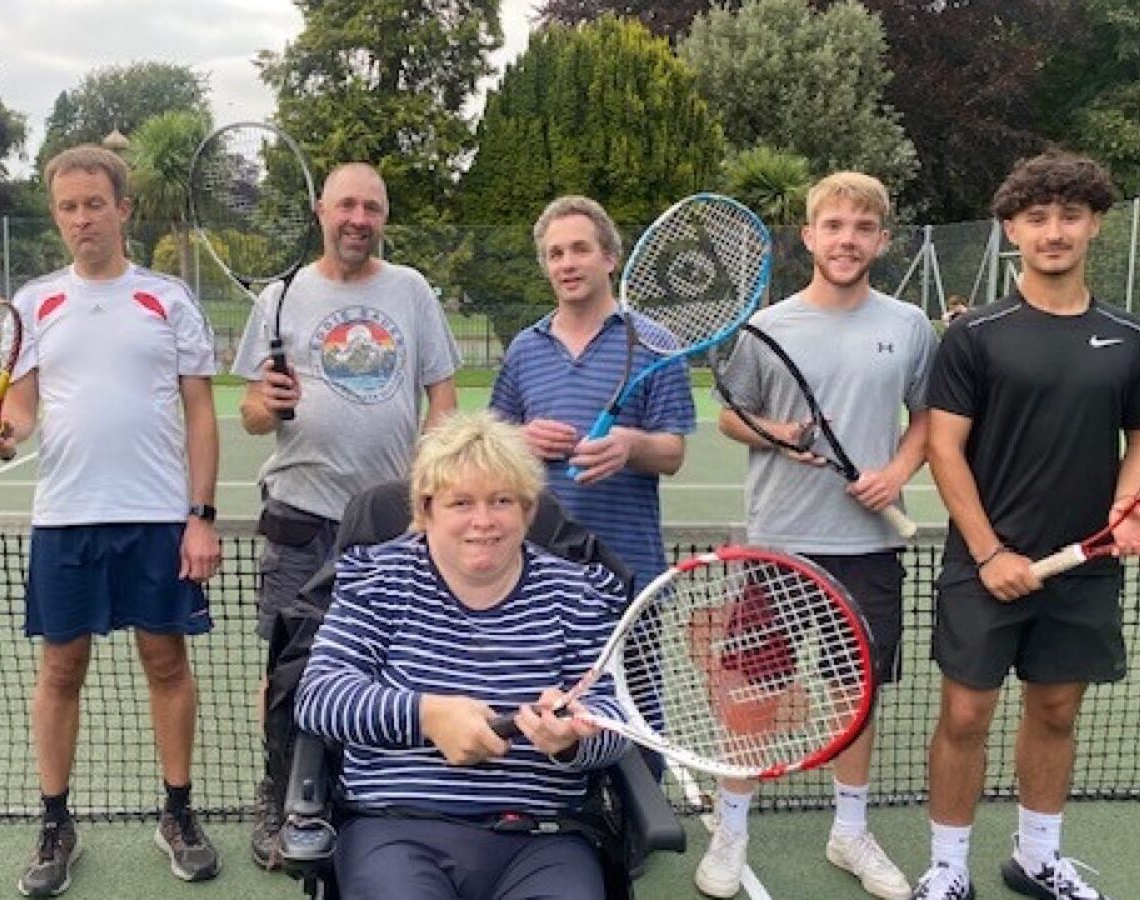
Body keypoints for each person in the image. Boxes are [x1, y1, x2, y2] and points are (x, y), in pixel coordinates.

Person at [911, 151, 1140, 900]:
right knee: (965, 714)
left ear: (1095, 224)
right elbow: (942, 445)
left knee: (1056, 709)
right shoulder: (975, 334)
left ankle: (1036, 858)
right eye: (1037, 218)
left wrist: (1123, 514)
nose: (1053, 231)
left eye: (1069, 215)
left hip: (1083, 569)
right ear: (1010, 230)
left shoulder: (1129, 336)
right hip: (982, 564)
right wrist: (990, 550)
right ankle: (948, 866)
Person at [0, 145, 222, 893]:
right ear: (56, 215)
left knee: (167, 664)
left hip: (155, 517)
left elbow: (201, 413)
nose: (81, 218)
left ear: (123, 208)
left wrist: (200, 515)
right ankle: (56, 823)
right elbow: (20, 407)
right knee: (60, 669)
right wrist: (4, 433)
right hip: (66, 518)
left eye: (94, 203)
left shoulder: (169, 298)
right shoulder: (35, 301)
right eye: (67, 206)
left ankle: (177, 811)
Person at [700, 172, 936, 900]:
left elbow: (928, 417)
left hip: (869, 547)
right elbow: (732, 415)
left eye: (862, 229)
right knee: (752, 693)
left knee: (853, 696)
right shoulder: (769, 327)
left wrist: (897, 471)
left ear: (882, 240)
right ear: (809, 236)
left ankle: (850, 830)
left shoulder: (909, 326)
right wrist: (775, 433)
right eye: (833, 226)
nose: (847, 240)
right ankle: (732, 827)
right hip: (780, 543)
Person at [294, 411, 630, 900]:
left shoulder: (577, 593)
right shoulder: (379, 580)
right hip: (397, 829)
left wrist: (572, 740)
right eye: (461, 503)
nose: (483, 521)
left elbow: (614, 718)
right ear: (426, 510)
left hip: (544, 837)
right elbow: (319, 696)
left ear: (527, 510)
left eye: (501, 501)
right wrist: (427, 715)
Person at [231, 161, 460, 869]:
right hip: (299, 517)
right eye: (347, 205)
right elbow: (246, 412)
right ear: (319, 210)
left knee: (393, 667)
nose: (359, 218)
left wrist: (426, 492)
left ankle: (369, 799)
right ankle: (282, 801)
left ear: (384, 218)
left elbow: (443, 402)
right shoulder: (278, 297)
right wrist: (263, 405)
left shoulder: (411, 289)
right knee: (290, 670)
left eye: (373, 208)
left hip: (392, 525)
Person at [489, 194, 694, 596]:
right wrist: (520, 440)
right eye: (555, 254)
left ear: (610, 258)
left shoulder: (657, 344)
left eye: (580, 249)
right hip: (536, 575)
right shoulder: (524, 348)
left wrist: (630, 446)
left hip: (629, 572)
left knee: (635, 664)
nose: (567, 264)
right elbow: (492, 443)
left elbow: (672, 453)